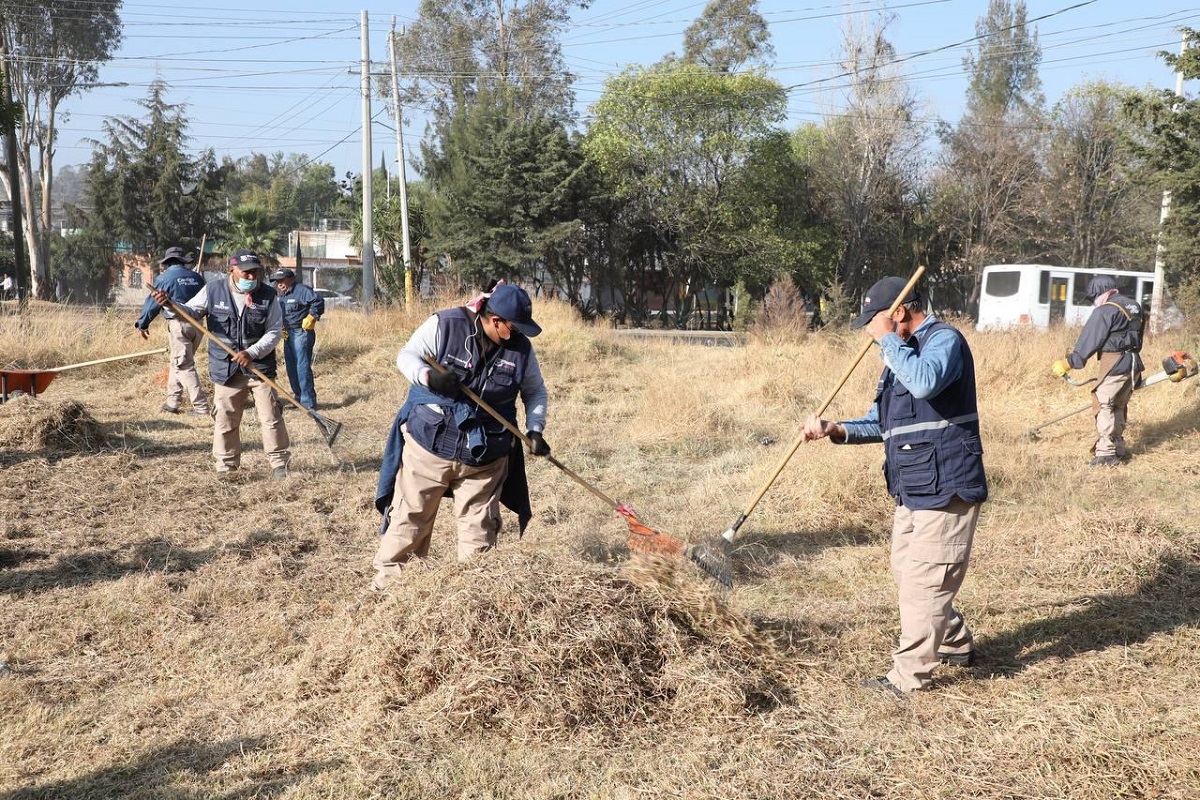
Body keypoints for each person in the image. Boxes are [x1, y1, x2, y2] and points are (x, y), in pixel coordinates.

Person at [801, 276, 987, 698]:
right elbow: (881, 422)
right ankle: (955, 643)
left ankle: (906, 679)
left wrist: (888, 341)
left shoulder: (944, 342)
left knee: (925, 584)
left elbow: (925, 382)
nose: (870, 333)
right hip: (914, 486)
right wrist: (835, 428)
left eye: (874, 322)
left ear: (899, 312)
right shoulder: (897, 357)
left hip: (948, 485)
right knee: (909, 576)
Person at [372, 283, 551, 590]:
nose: (519, 335)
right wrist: (429, 377)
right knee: (409, 521)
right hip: (430, 444)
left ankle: (473, 596)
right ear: (495, 320)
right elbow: (407, 355)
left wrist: (536, 428)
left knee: (479, 534)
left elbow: (535, 391)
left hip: (485, 458)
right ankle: (388, 592)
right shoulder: (446, 324)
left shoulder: (520, 349)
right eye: (514, 327)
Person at [152, 249, 290, 479]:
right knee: (225, 420)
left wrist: (252, 352)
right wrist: (169, 305)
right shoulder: (213, 290)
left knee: (271, 418)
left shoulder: (268, 295)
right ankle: (226, 468)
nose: (251, 277)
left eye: (255, 272)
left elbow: (274, 331)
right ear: (231, 270)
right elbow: (190, 312)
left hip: (259, 369)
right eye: (246, 273)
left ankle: (279, 466)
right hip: (226, 370)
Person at [1052, 276, 1145, 467]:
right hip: (1133, 364)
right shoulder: (1134, 306)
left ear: (1099, 293)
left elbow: (1090, 338)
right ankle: (1119, 449)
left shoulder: (1106, 310)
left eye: (1093, 297)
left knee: (1103, 404)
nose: (1094, 301)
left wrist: (1071, 362)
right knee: (1118, 405)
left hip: (1115, 364)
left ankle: (1106, 454)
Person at [134, 246, 211, 416]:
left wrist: (143, 324)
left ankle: (201, 408)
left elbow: (153, 304)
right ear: (183, 261)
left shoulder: (164, 278)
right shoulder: (197, 277)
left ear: (167, 263)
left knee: (183, 365)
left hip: (179, 324)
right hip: (198, 325)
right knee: (177, 362)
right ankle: (172, 402)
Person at [268, 267, 325, 410]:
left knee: (302, 366)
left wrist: (312, 316)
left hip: (302, 332)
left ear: (291, 279)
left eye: (282, 280)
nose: (279, 284)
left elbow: (318, 301)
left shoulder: (301, 290)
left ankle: (308, 402)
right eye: (277, 281)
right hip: (288, 333)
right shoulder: (281, 295)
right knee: (291, 367)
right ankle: (298, 398)